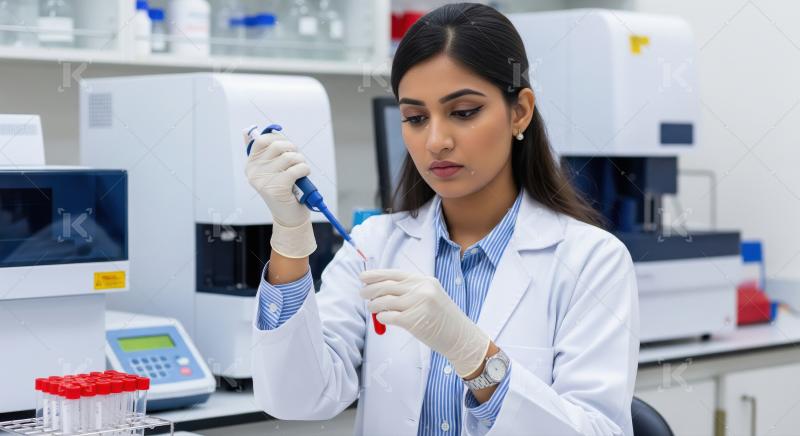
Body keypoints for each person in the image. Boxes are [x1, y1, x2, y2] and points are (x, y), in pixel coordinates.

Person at [245, 3, 639, 435]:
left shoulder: (591, 261)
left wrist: (477, 357)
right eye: (415, 118)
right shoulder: (374, 245)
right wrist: (289, 239)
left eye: (464, 112)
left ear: (520, 111)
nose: (435, 141)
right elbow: (296, 396)